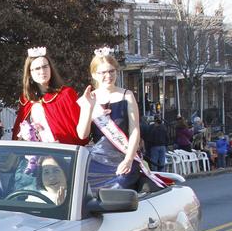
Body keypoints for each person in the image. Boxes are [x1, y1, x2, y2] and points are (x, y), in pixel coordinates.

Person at [76, 48, 165, 191]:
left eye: (112, 71)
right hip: (97, 161)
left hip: (123, 157)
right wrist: (88, 108)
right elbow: (82, 135)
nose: (108, 76)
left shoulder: (127, 95)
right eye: (103, 72)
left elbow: (134, 130)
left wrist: (129, 160)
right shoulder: (88, 98)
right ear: (94, 74)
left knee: (121, 184)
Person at [12, 48, 84, 145]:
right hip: (36, 154)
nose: (42, 71)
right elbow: (18, 134)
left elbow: (79, 131)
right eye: (37, 68)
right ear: (30, 73)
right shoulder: (26, 100)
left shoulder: (65, 94)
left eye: (45, 66)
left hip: (63, 152)